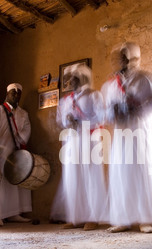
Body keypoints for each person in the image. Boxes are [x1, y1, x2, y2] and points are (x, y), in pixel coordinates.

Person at [101, 42, 152, 233]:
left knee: (140, 171)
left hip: (139, 129)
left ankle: (144, 219)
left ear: (131, 57)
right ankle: (123, 218)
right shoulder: (110, 84)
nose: (119, 60)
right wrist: (114, 112)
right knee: (121, 173)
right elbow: (104, 110)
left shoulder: (146, 77)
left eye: (123, 56)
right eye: (118, 57)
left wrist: (138, 109)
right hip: (121, 133)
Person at [51, 64, 108, 230]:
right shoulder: (65, 100)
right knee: (72, 178)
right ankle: (75, 217)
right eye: (70, 78)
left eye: (75, 78)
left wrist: (80, 121)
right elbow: (60, 121)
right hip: (71, 141)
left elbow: (101, 117)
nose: (71, 81)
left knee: (90, 177)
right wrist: (67, 121)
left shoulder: (94, 95)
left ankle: (93, 217)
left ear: (83, 78)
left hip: (89, 140)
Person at [0, 83, 32, 226]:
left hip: (17, 150)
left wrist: (20, 140)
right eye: (13, 92)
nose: (16, 95)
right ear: (7, 93)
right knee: (1, 181)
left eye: (18, 93)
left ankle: (14, 213)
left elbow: (26, 129)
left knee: (16, 181)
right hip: (2, 150)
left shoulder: (23, 113)